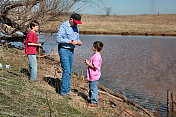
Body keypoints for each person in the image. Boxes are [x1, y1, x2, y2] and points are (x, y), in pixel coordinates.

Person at [56, 13, 82, 97]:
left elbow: (77, 39)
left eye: (77, 23)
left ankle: (67, 89)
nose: (76, 24)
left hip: (71, 50)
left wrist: (78, 42)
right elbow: (58, 39)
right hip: (63, 49)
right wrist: (70, 41)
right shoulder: (63, 26)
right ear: (71, 19)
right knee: (66, 70)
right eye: (75, 22)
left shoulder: (76, 27)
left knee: (69, 71)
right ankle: (63, 92)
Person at [84, 41, 103, 107]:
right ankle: (91, 99)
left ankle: (94, 102)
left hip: (94, 75)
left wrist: (88, 63)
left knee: (93, 89)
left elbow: (95, 67)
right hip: (92, 75)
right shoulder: (95, 55)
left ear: (96, 48)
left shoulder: (96, 57)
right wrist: (88, 62)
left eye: (93, 46)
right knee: (91, 87)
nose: (92, 47)